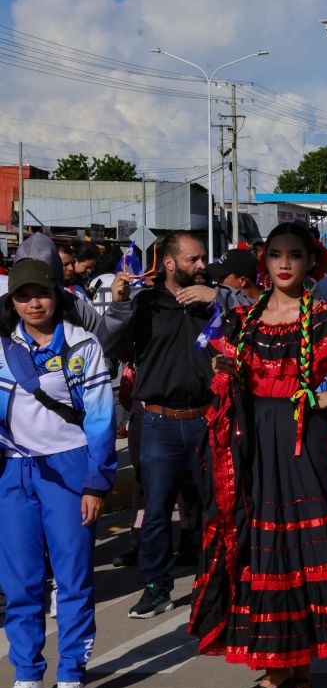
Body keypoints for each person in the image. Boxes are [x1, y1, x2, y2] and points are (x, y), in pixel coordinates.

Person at [190, 222, 327, 688]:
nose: (284, 264)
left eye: (295, 255)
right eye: (276, 255)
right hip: (256, 446)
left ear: (311, 262)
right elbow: (225, 376)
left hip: (306, 440)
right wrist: (225, 376)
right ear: (264, 261)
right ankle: (273, 672)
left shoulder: (326, 314)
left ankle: (299, 670)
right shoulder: (244, 318)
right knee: (262, 551)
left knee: (303, 551)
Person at [104, 231, 252, 618]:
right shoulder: (145, 303)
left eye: (204, 258)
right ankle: (156, 587)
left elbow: (260, 311)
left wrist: (217, 297)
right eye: (194, 260)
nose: (203, 266)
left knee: (217, 507)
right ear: (169, 263)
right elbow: (108, 349)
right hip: (158, 421)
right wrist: (119, 306)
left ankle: (218, 584)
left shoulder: (218, 298)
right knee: (156, 510)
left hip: (210, 417)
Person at [0, 259, 116, 688]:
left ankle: (71, 673)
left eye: (42, 293)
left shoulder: (82, 345)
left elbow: (103, 419)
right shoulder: (3, 346)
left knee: (71, 579)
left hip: (69, 470)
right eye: (24, 295)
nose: (34, 303)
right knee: (20, 582)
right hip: (13, 471)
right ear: (13, 300)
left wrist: (95, 482)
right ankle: (27, 674)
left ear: (57, 295)